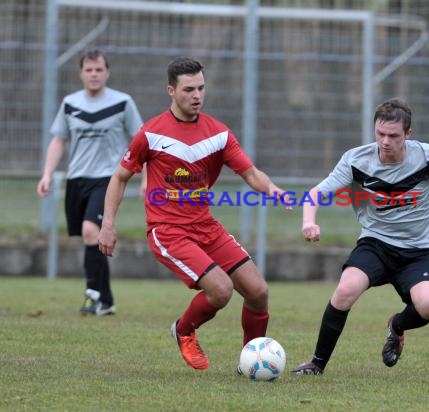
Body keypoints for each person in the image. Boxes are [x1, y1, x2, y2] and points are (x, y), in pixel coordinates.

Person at [97, 57, 290, 370]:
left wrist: (274, 191)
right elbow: (119, 177)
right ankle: (184, 330)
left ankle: (250, 361)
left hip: (205, 226)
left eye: (201, 88)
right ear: (171, 90)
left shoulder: (218, 134)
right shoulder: (151, 133)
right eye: (188, 89)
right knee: (221, 290)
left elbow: (251, 173)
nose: (197, 95)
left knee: (258, 291)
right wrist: (108, 224)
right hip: (167, 230)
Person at [291, 98, 429, 375]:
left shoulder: (428, 158)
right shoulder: (357, 160)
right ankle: (316, 364)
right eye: (380, 134)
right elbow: (316, 193)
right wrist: (309, 221)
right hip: (376, 243)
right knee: (345, 289)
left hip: (421, 248)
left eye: (393, 135)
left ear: (408, 134)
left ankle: (397, 326)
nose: (385, 141)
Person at [37, 49, 143, 316]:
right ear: (81, 73)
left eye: (99, 70)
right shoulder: (70, 103)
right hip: (77, 179)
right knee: (92, 238)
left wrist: (146, 179)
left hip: (108, 178)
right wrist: (47, 174)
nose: (94, 74)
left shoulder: (122, 102)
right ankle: (107, 300)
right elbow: (58, 139)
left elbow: (142, 141)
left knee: (89, 230)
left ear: (107, 72)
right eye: (89, 70)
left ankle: (92, 296)